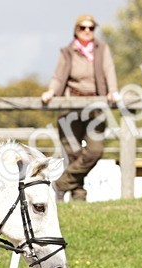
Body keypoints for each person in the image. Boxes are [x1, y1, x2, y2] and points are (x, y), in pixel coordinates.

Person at [40, 14, 118, 202]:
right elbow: (58, 76)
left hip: (95, 106)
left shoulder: (102, 49)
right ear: (76, 29)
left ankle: (60, 185)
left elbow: (109, 70)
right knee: (73, 153)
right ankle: (79, 195)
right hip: (70, 106)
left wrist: (113, 91)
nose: (87, 31)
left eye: (91, 28)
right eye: (83, 27)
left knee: (95, 150)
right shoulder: (67, 52)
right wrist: (51, 91)